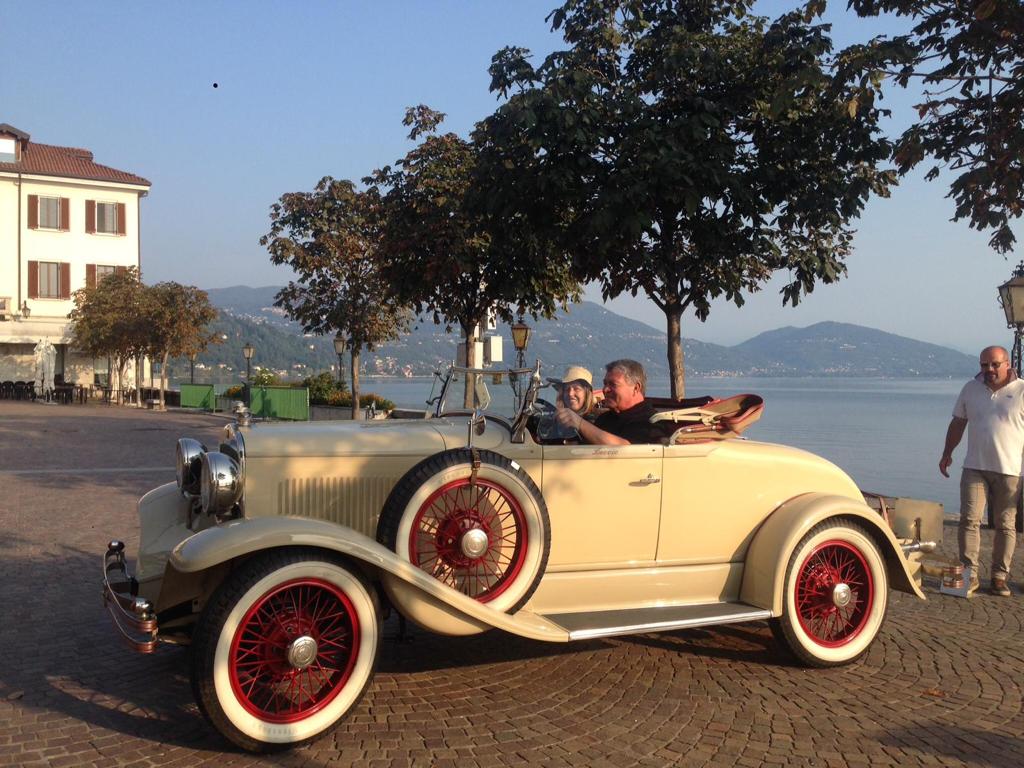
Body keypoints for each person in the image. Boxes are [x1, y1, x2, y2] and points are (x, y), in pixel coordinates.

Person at [939, 345, 1024, 597]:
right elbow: (958, 423)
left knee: (1005, 525)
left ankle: (999, 576)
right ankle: (969, 574)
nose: (989, 369)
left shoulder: (1022, 390)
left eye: (994, 364)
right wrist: (947, 454)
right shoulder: (970, 389)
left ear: (1007, 363)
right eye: (984, 365)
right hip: (974, 466)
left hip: (1010, 470)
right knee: (969, 520)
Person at [556, 359, 659, 445]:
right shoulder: (605, 418)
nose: (605, 389)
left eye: (613, 384)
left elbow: (626, 449)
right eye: (605, 384)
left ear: (636, 388)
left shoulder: (651, 422)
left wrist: (579, 423)